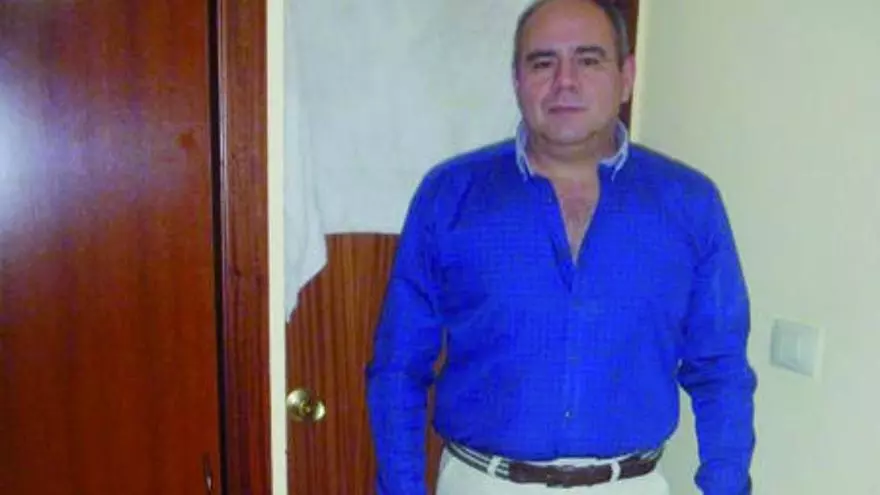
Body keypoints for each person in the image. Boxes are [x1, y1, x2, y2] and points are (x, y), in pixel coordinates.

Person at [366, 0, 757, 493]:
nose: (564, 81)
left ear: (626, 77)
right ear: (517, 80)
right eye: (542, 62)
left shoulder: (690, 205)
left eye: (589, 60)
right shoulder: (449, 197)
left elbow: (720, 369)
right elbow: (399, 368)